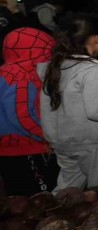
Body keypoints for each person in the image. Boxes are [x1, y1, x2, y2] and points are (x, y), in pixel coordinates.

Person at [39, 15, 98, 192]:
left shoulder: (56, 66)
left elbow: (46, 106)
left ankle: (57, 210)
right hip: (94, 143)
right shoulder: (94, 70)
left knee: (67, 191)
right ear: (97, 39)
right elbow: (97, 110)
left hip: (63, 142)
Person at [0, 27, 59, 195]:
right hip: (30, 147)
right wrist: (48, 137)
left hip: (7, 148)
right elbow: (22, 116)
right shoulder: (22, 76)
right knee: (42, 198)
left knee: (18, 199)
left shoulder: (4, 72)